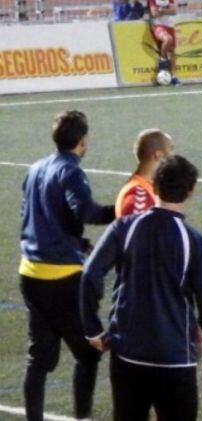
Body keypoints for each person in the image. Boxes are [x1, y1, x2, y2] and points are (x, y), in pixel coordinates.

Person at [80, 155, 202, 421]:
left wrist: (92, 328)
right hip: (175, 360)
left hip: (127, 355)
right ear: (191, 191)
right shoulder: (193, 241)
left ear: (154, 186)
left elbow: (90, 273)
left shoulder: (125, 228)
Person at [18, 110, 115, 421]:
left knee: (39, 360)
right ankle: (82, 417)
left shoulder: (35, 169)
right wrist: (120, 210)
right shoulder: (71, 171)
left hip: (30, 273)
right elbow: (86, 212)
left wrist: (77, 242)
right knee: (88, 354)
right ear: (82, 141)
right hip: (62, 280)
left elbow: (35, 216)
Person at [115, 128, 173, 218]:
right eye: (170, 149)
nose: (172, 157)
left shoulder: (146, 186)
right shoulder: (139, 195)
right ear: (159, 155)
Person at [148, 0, 180, 85]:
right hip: (158, 26)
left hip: (170, 26)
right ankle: (162, 61)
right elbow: (154, 14)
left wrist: (162, 10)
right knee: (167, 39)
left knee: (172, 52)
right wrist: (167, 11)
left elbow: (174, 11)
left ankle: (174, 77)